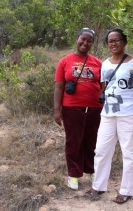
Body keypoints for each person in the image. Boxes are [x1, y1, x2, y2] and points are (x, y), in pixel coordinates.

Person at [85, 28, 133, 204]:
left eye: (117, 40)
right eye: (110, 41)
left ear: (124, 42)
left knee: (129, 153)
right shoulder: (105, 64)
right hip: (108, 114)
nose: (113, 43)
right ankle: (98, 186)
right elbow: (104, 88)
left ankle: (126, 190)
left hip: (128, 113)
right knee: (101, 150)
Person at [54, 28, 103, 190]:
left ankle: (92, 170)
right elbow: (59, 87)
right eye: (83, 39)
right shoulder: (65, 61)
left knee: (92, 140)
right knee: (74, 141)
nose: (85, 43)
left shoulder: (98, 63)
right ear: (77, 39)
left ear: (92, 44)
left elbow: (103, 86)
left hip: (95, 107)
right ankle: (74, 174)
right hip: (71, 108)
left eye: (89, 41)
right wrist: (57, 110)